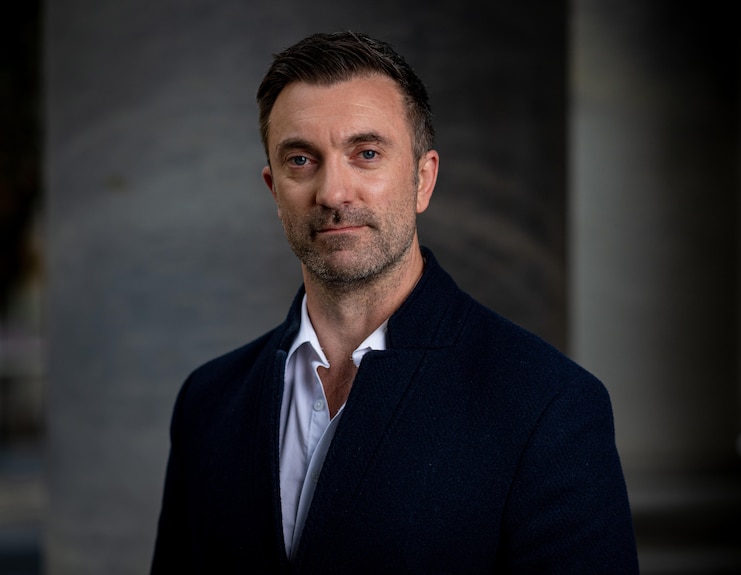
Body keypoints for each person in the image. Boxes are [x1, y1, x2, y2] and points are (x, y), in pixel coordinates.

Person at [151, 31, 638, 574]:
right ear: (273, 189)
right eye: (301, 160)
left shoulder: (550, 406)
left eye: (366, 153)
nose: (334, 192)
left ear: (422, 180)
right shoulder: (208, 403)